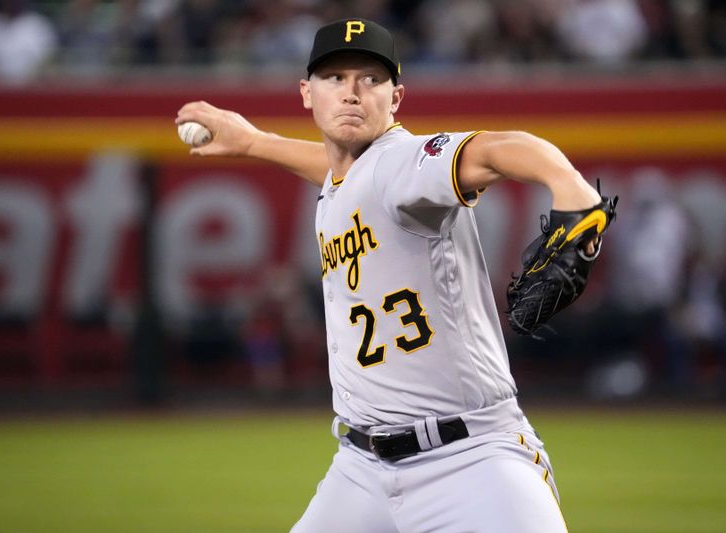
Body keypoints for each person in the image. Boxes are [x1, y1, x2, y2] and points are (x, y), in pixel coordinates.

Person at [177, 18, 602, 532]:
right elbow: (341, 173)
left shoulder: (405, 161)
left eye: (371, 79)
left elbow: (495, 149)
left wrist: (570, 188)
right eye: (335, 78)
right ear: (307, 94)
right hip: (360, 469)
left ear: (396, 97)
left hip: (470, 464)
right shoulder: (348, 179)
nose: (352, 92)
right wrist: (253, 142)